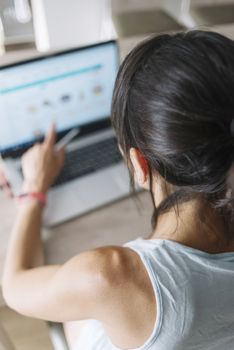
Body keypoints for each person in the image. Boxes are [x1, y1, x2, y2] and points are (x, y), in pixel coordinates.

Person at [2, 29, 234, 350]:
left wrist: (33, 190)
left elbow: (14, 286)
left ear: (139, 164)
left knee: (77, 316)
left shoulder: (111, 276)